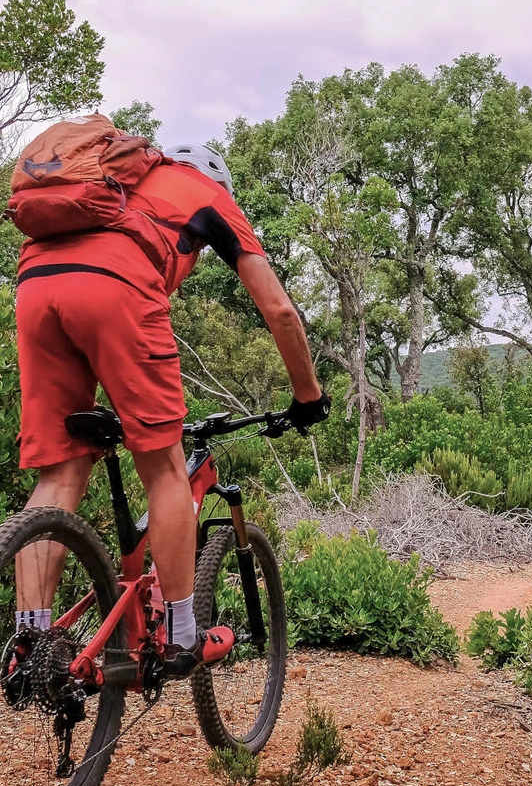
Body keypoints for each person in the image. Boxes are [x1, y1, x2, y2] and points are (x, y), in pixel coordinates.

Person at [7, 140, 329, 679]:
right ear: (216, 179)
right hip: (115, 288)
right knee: (163, 465)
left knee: (59, 474)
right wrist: (308, 396)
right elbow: (279, 311)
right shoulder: (209, 195)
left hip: (35, 286)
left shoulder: (114, 185)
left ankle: (30, 640)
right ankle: (181, 634)